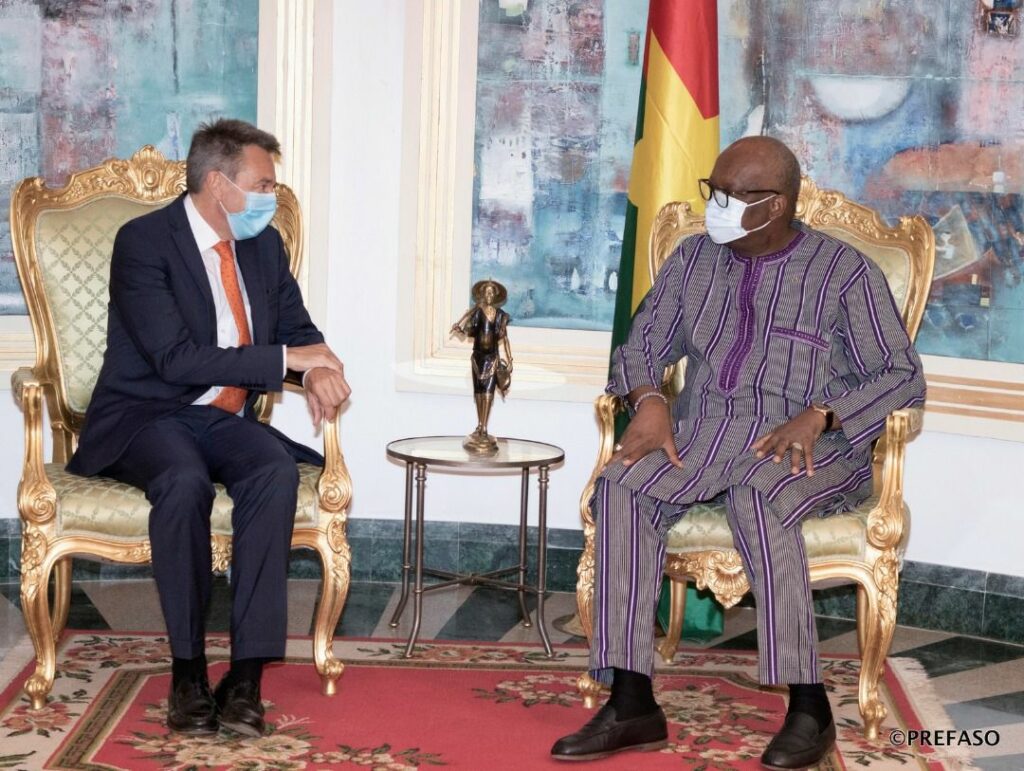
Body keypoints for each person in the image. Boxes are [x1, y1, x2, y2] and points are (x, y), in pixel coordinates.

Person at [550, 136, 925, 767]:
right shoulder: (694, 260)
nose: (715, 205)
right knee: (620, 486)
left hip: (807, 443)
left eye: (730, 195)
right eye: (712, 190)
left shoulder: (843, 272)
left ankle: (810, 707)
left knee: (760, 497)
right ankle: (631, 698)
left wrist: (825, 411)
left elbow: (901, 375)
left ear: (774, 205)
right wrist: (647, 399)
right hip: (708, 428)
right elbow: (640, 346)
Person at [67, 118, 351, 737]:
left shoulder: (263, 244)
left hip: (223, 415)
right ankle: (188, 673)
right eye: (263, 184)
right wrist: (285, 363)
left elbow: (296, 329)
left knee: (274, 471)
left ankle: (245, 678)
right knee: (182, 482)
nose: (271, 197)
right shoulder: (144, 242)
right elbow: (175, 358)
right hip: (148, 413)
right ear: (219, 184)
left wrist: (323, 365)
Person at [450, 279, 513, 453]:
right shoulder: (477, 313)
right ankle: (479, 425)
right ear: (482, 295)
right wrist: (459, 330)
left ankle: (485, 426)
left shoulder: (501, 315)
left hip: (492, 358)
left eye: (492, 293)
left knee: (488, 394)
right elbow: (469, 332)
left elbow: (505, 338)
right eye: (486, 292)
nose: (489, 295)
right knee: (478, 393)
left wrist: (510, 359)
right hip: (478, 358)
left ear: (496, 296)